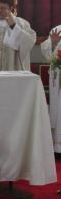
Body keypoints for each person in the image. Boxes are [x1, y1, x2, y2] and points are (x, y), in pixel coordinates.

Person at [41, 25, 61, 153]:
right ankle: (58, 146)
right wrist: (53, 44)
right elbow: (47, 53)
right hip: (58, 77)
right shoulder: (58, 30)